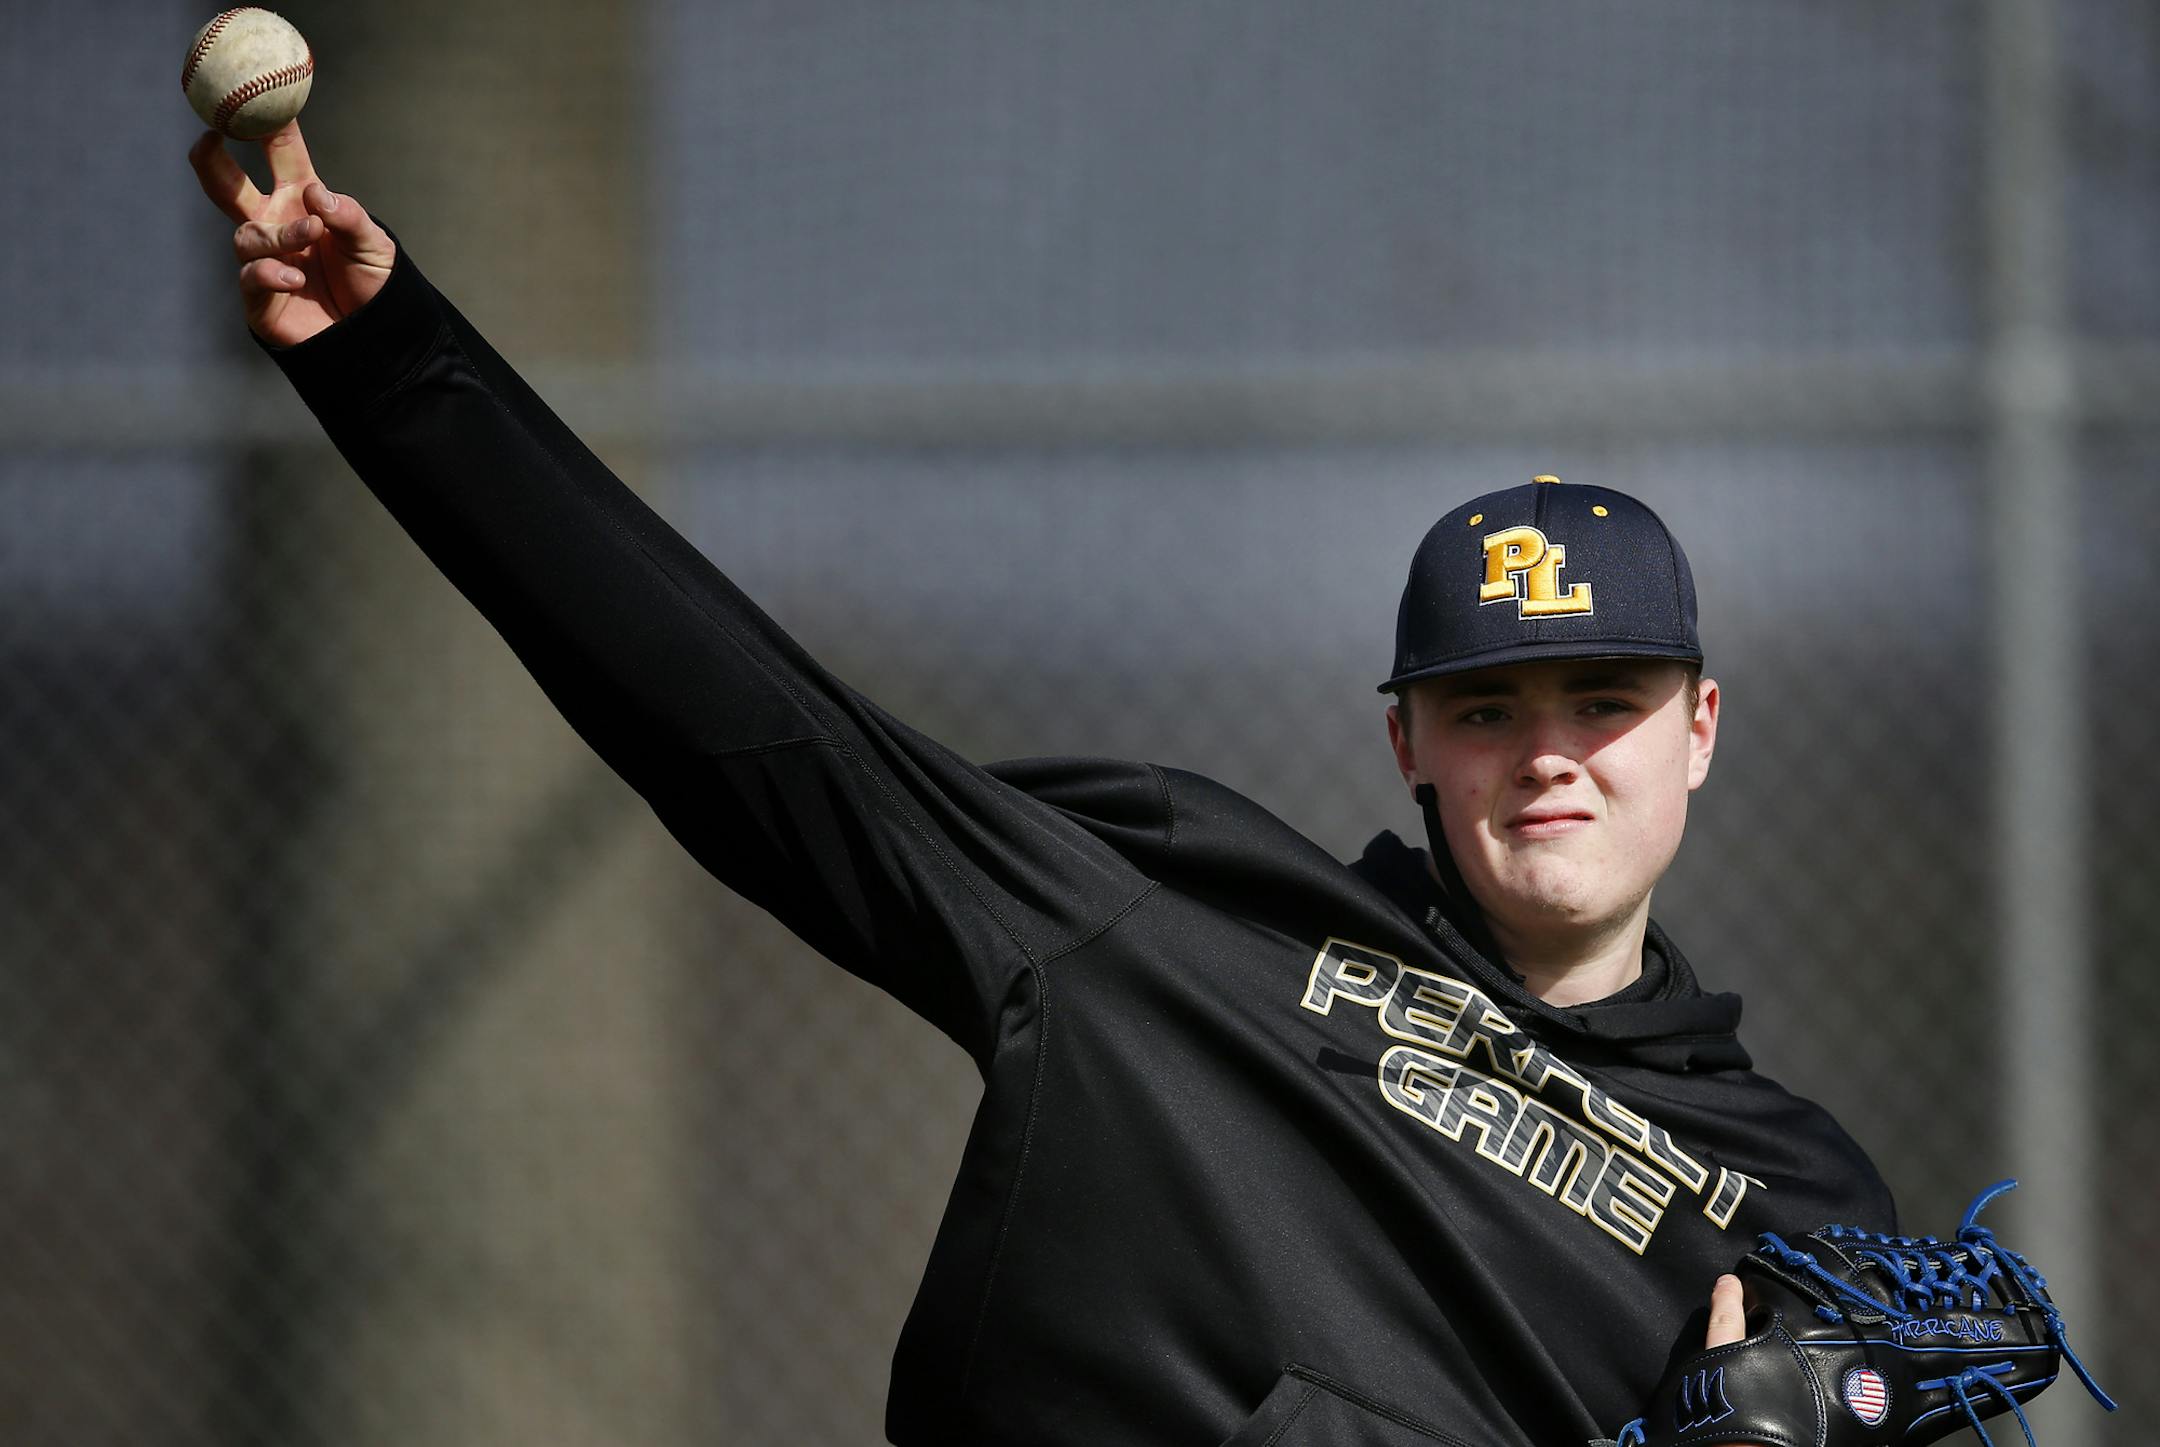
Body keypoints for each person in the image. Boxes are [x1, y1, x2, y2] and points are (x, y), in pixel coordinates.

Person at [190, 122, 1890, 1447]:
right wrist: (399, 367)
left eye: (1606, 700)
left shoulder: (1802, 1202)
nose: (1546, 753)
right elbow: (763, 744)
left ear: (1701, 729)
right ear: (1405, 745)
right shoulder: (1196, 942)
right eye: (1486, 706)